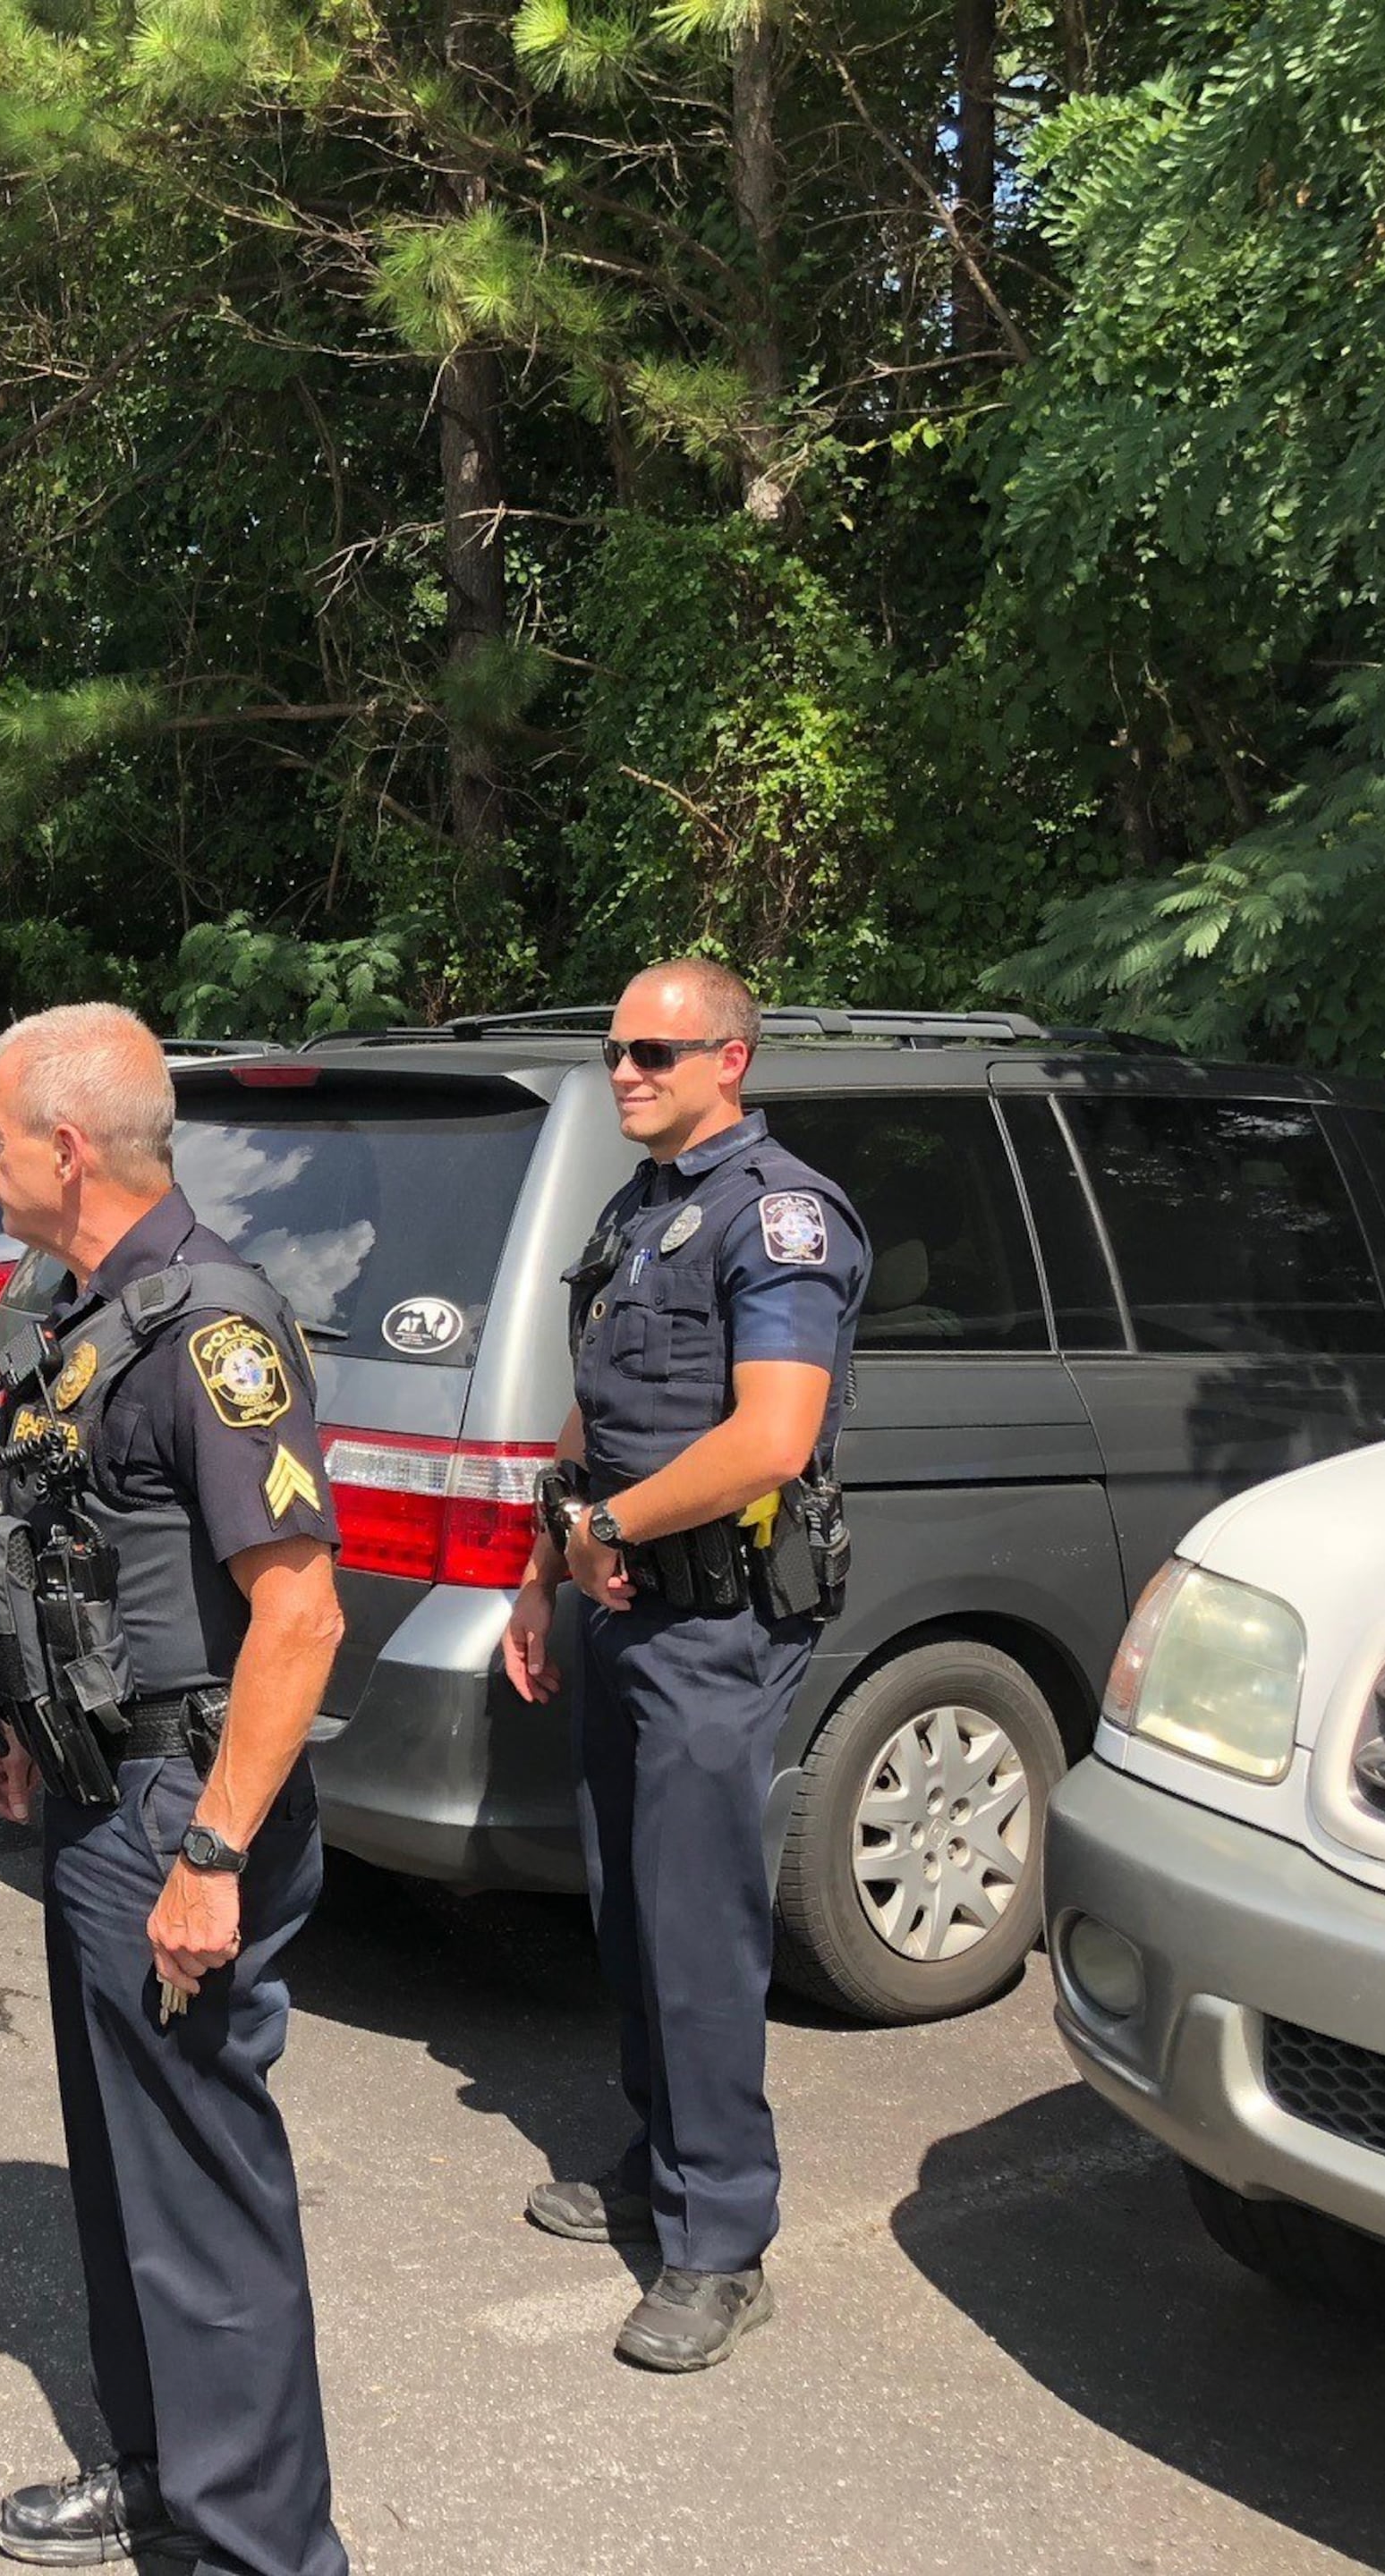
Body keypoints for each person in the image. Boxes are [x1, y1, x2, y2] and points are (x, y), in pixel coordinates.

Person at [0, 1003, 352, 2576]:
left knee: (205, 2206)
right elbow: (69, 1555)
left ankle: (265, 2548)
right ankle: (160, 2474)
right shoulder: (83, 1309)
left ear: (63, 1146)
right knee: (130, 2187)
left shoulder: (212, 1328)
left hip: (180, 1816)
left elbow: (300, 1612)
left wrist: (211, 1852)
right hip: (94, 1796)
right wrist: (18, 1726)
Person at [501, 960, 870, 2373]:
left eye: (656, 1051)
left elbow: (774, 1439)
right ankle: (661, 2159)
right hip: (614, 1605)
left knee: (701, 1920)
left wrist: (605, 1530)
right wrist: (545, 1576)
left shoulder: (781, 1218)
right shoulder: (639, 1208)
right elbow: (597, 1417)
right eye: (615, 1052)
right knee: (630, 1905)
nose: (627, 1072)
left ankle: (721, 2240)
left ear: (732, 1060)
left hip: (716, 1626)